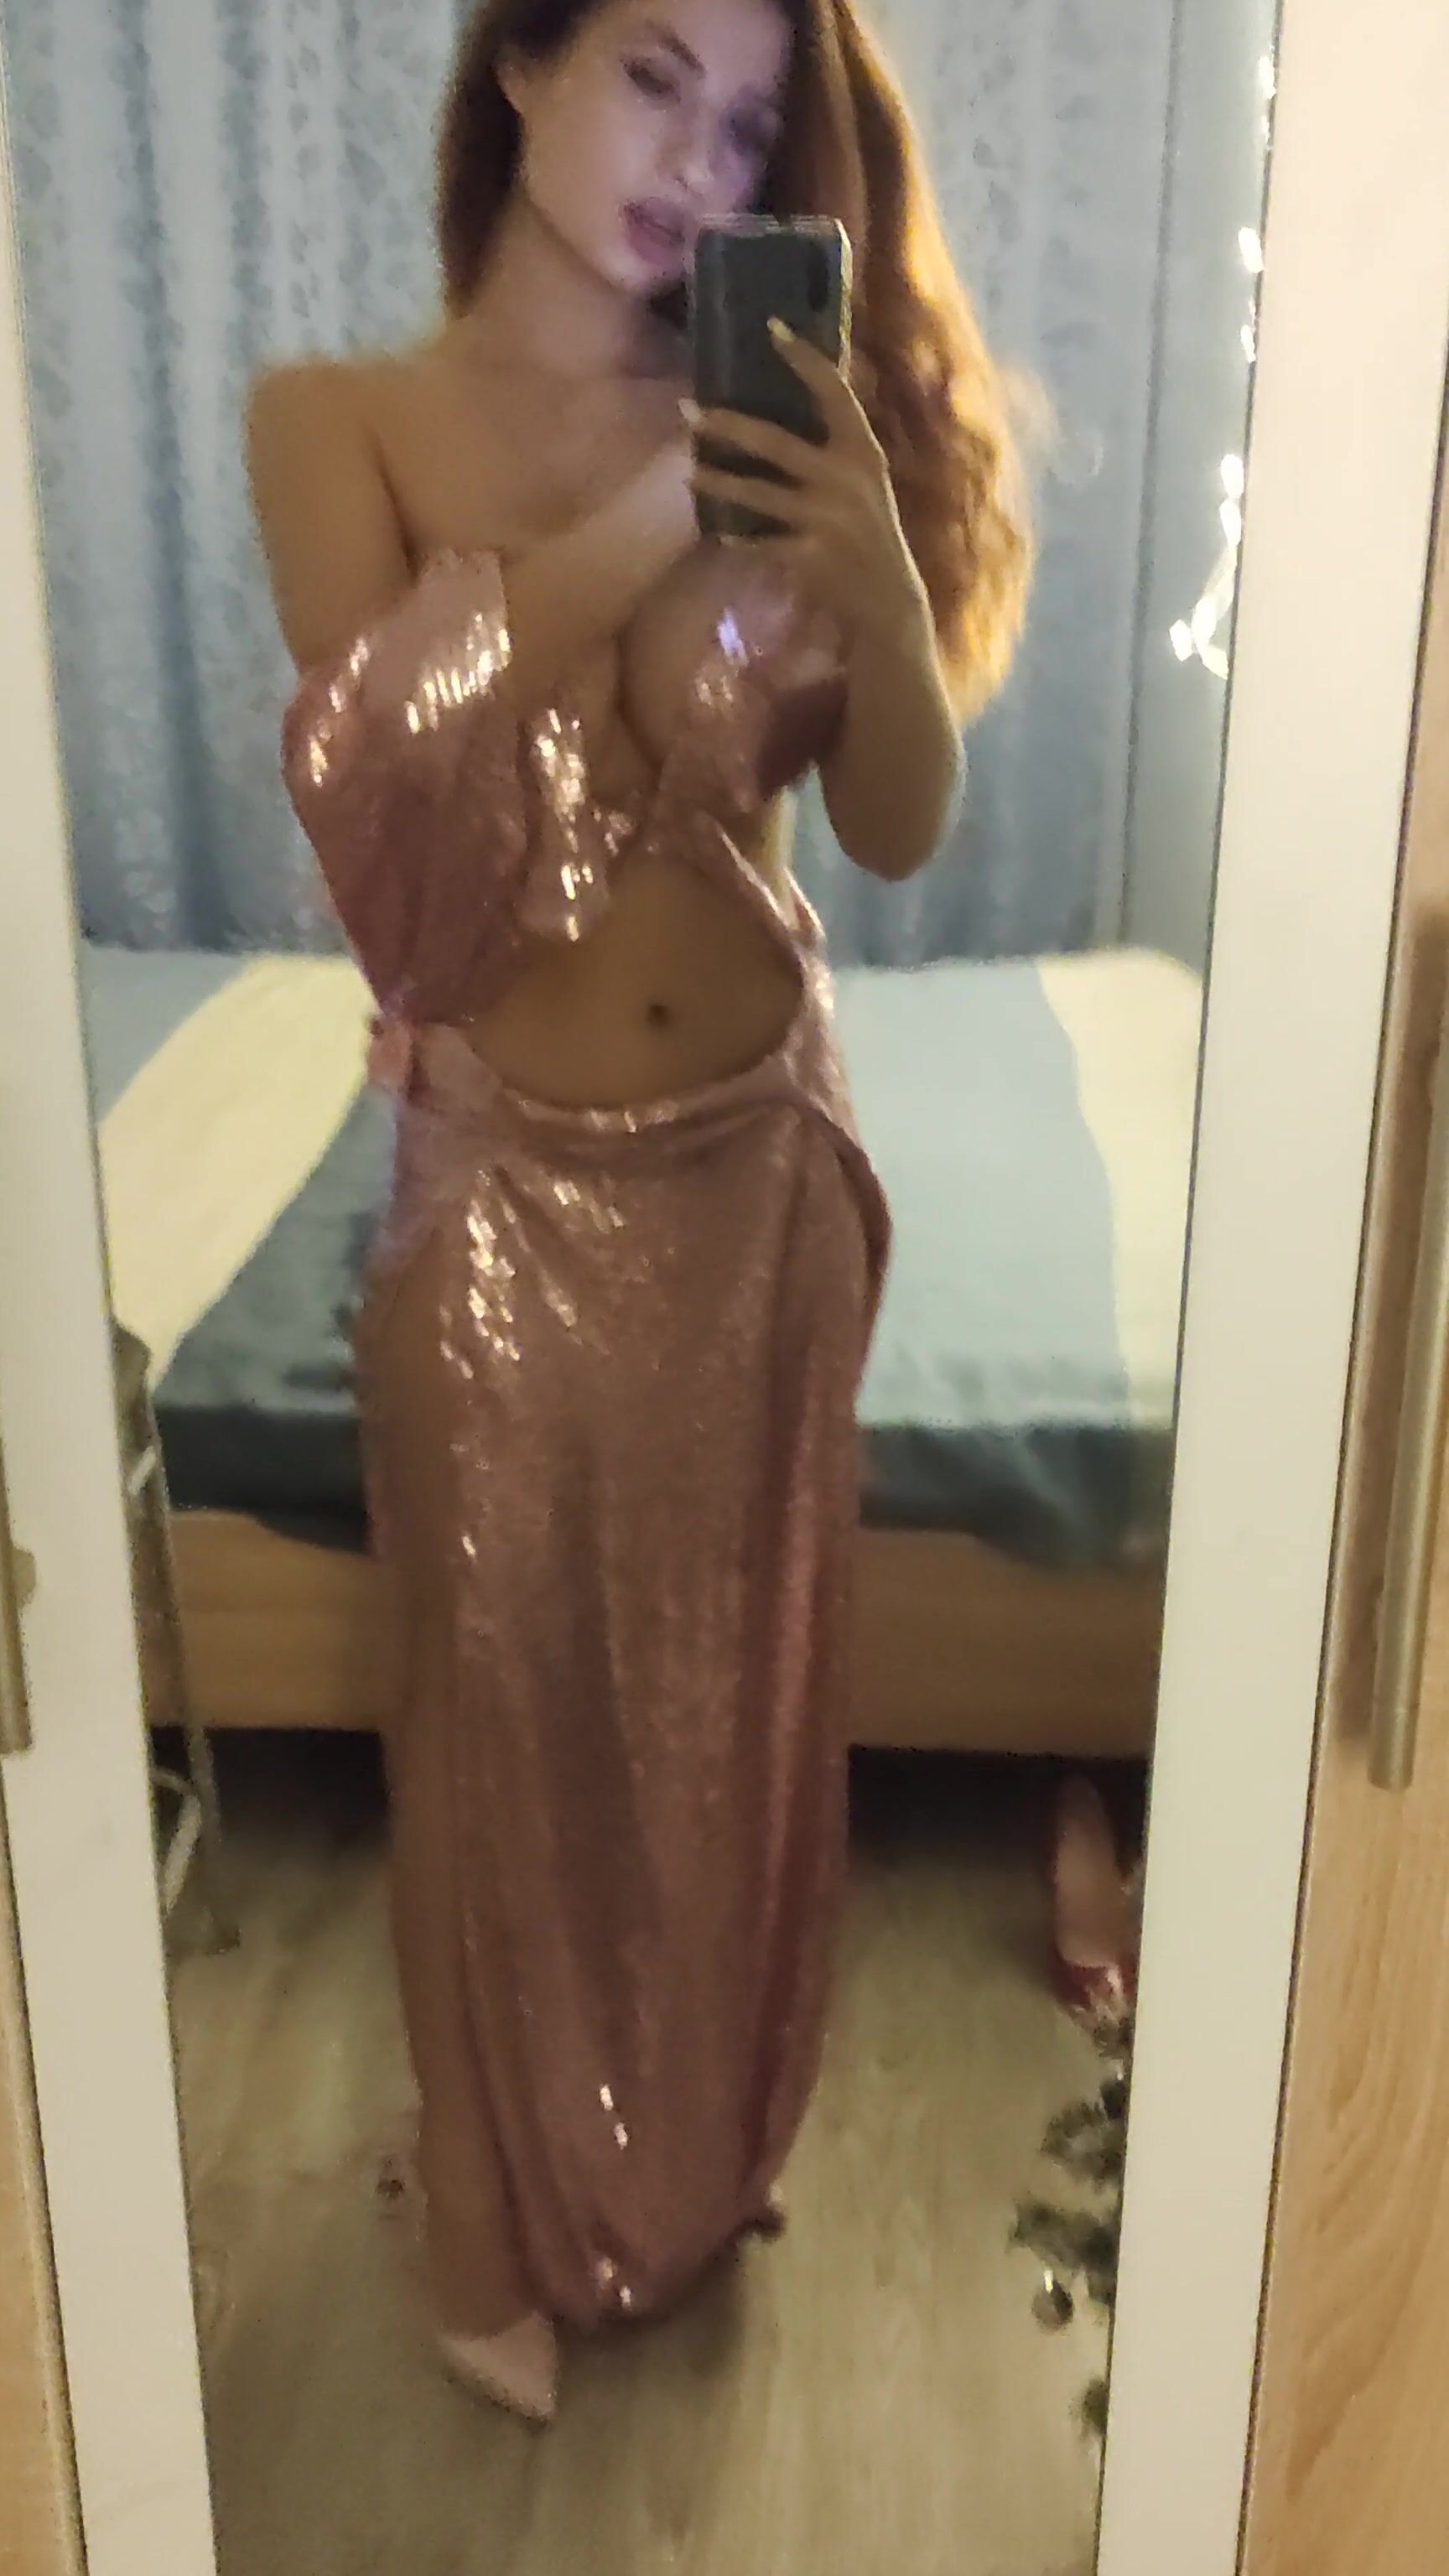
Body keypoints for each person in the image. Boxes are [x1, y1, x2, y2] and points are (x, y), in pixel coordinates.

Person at [247, 0, 1027, 2426]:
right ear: (523, 69)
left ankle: (687, 2161)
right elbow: (384, 783)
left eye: (754, 116)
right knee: (485, 1733)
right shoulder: (340, 424)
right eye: (654, 76)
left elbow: (887, 824)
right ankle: (489, 2223)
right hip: (506, 1201)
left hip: (762, 1173)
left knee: (733, 1712)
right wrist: (665, 508)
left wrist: (866, 566)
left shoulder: (784, 425)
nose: (704, 156)